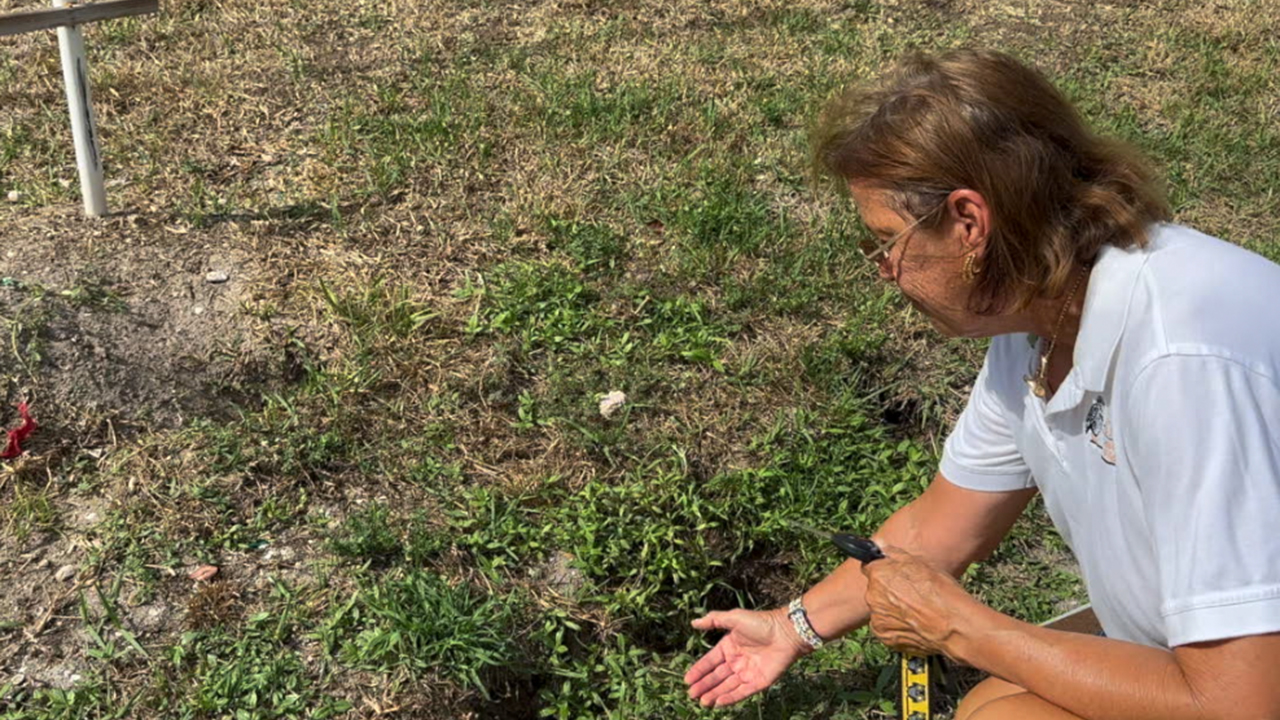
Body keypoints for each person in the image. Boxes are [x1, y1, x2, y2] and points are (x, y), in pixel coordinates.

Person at [683, 49, 1280, 719]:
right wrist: (793, 625)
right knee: (997, 701)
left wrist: (961, 627)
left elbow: (1241, 704)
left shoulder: (1181, 360)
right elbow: (942, 525)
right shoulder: (1042, 323)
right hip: (1209, 661)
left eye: (884, 243)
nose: (881, 271)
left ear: (969, 224)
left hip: (1244, 687)